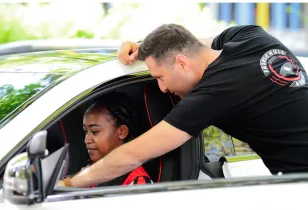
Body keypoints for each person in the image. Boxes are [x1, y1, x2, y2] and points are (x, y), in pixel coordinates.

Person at [58, 24, 308, 188]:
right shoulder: (251, 36)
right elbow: (192, 44)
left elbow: (133, 154)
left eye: (160, 77)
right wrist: (144, 46)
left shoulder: (214, 94)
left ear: (181, 63)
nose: (163, 89)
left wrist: (66, 184)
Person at [59, 92, 153, 188]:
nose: (86, 140)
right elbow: (65, 187)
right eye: (85, 132)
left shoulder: (137, 182)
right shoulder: (89, 169)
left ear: (121, 132)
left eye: (94, 131)